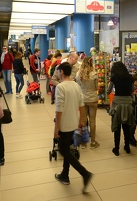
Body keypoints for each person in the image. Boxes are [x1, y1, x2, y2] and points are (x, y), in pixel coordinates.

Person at [53, 62, 93, 193]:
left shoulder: (61, 87)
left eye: (58, 71)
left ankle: (85, 173)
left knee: (63, 151)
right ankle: (65, 175)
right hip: (74, 123)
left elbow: (59, 109)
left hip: (64, 125)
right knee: (68, 150)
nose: (58, 73)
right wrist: (82, 121)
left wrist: (57, 126)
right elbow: (82, 105)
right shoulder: (76, 85)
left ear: (62, 72)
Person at [106, 61, 134, 156]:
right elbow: (132, 90)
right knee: (126, 126)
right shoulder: (130, 77)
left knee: (117, 126)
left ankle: (116, 148)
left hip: (117, 104)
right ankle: (127, 147)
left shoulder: (114, 78)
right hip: (128, 104)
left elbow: (108, 91)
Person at [75, 56, 100, 149]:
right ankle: (93, 142)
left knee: (83, 120)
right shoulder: (94, 74)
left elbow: (77, 87)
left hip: (82, 99)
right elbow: (96, 87)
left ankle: (83, 143)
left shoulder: (78, 74)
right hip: (93, 99)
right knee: (92, 121)